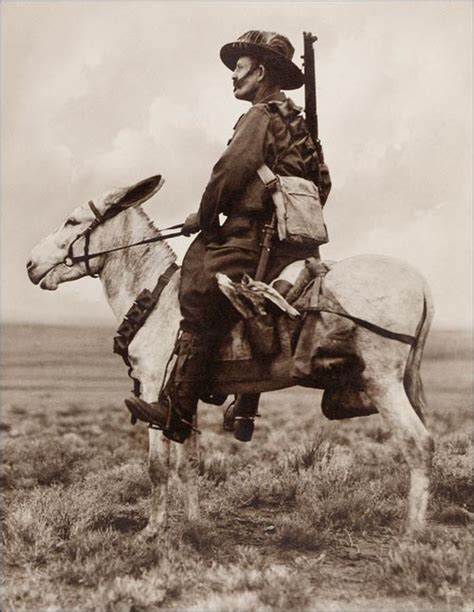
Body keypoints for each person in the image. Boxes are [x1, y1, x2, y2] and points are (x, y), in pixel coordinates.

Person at [126, 30, 329, 443]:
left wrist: (204, 218)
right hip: (296, 242)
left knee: (198, 281)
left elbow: (229, 172)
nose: (232, 77)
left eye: (238, 68)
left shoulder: (259, 117)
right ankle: (243, 405)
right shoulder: (298, 125)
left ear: (260, 71)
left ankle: (177, 410)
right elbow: (323, 185)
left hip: (258, 236)